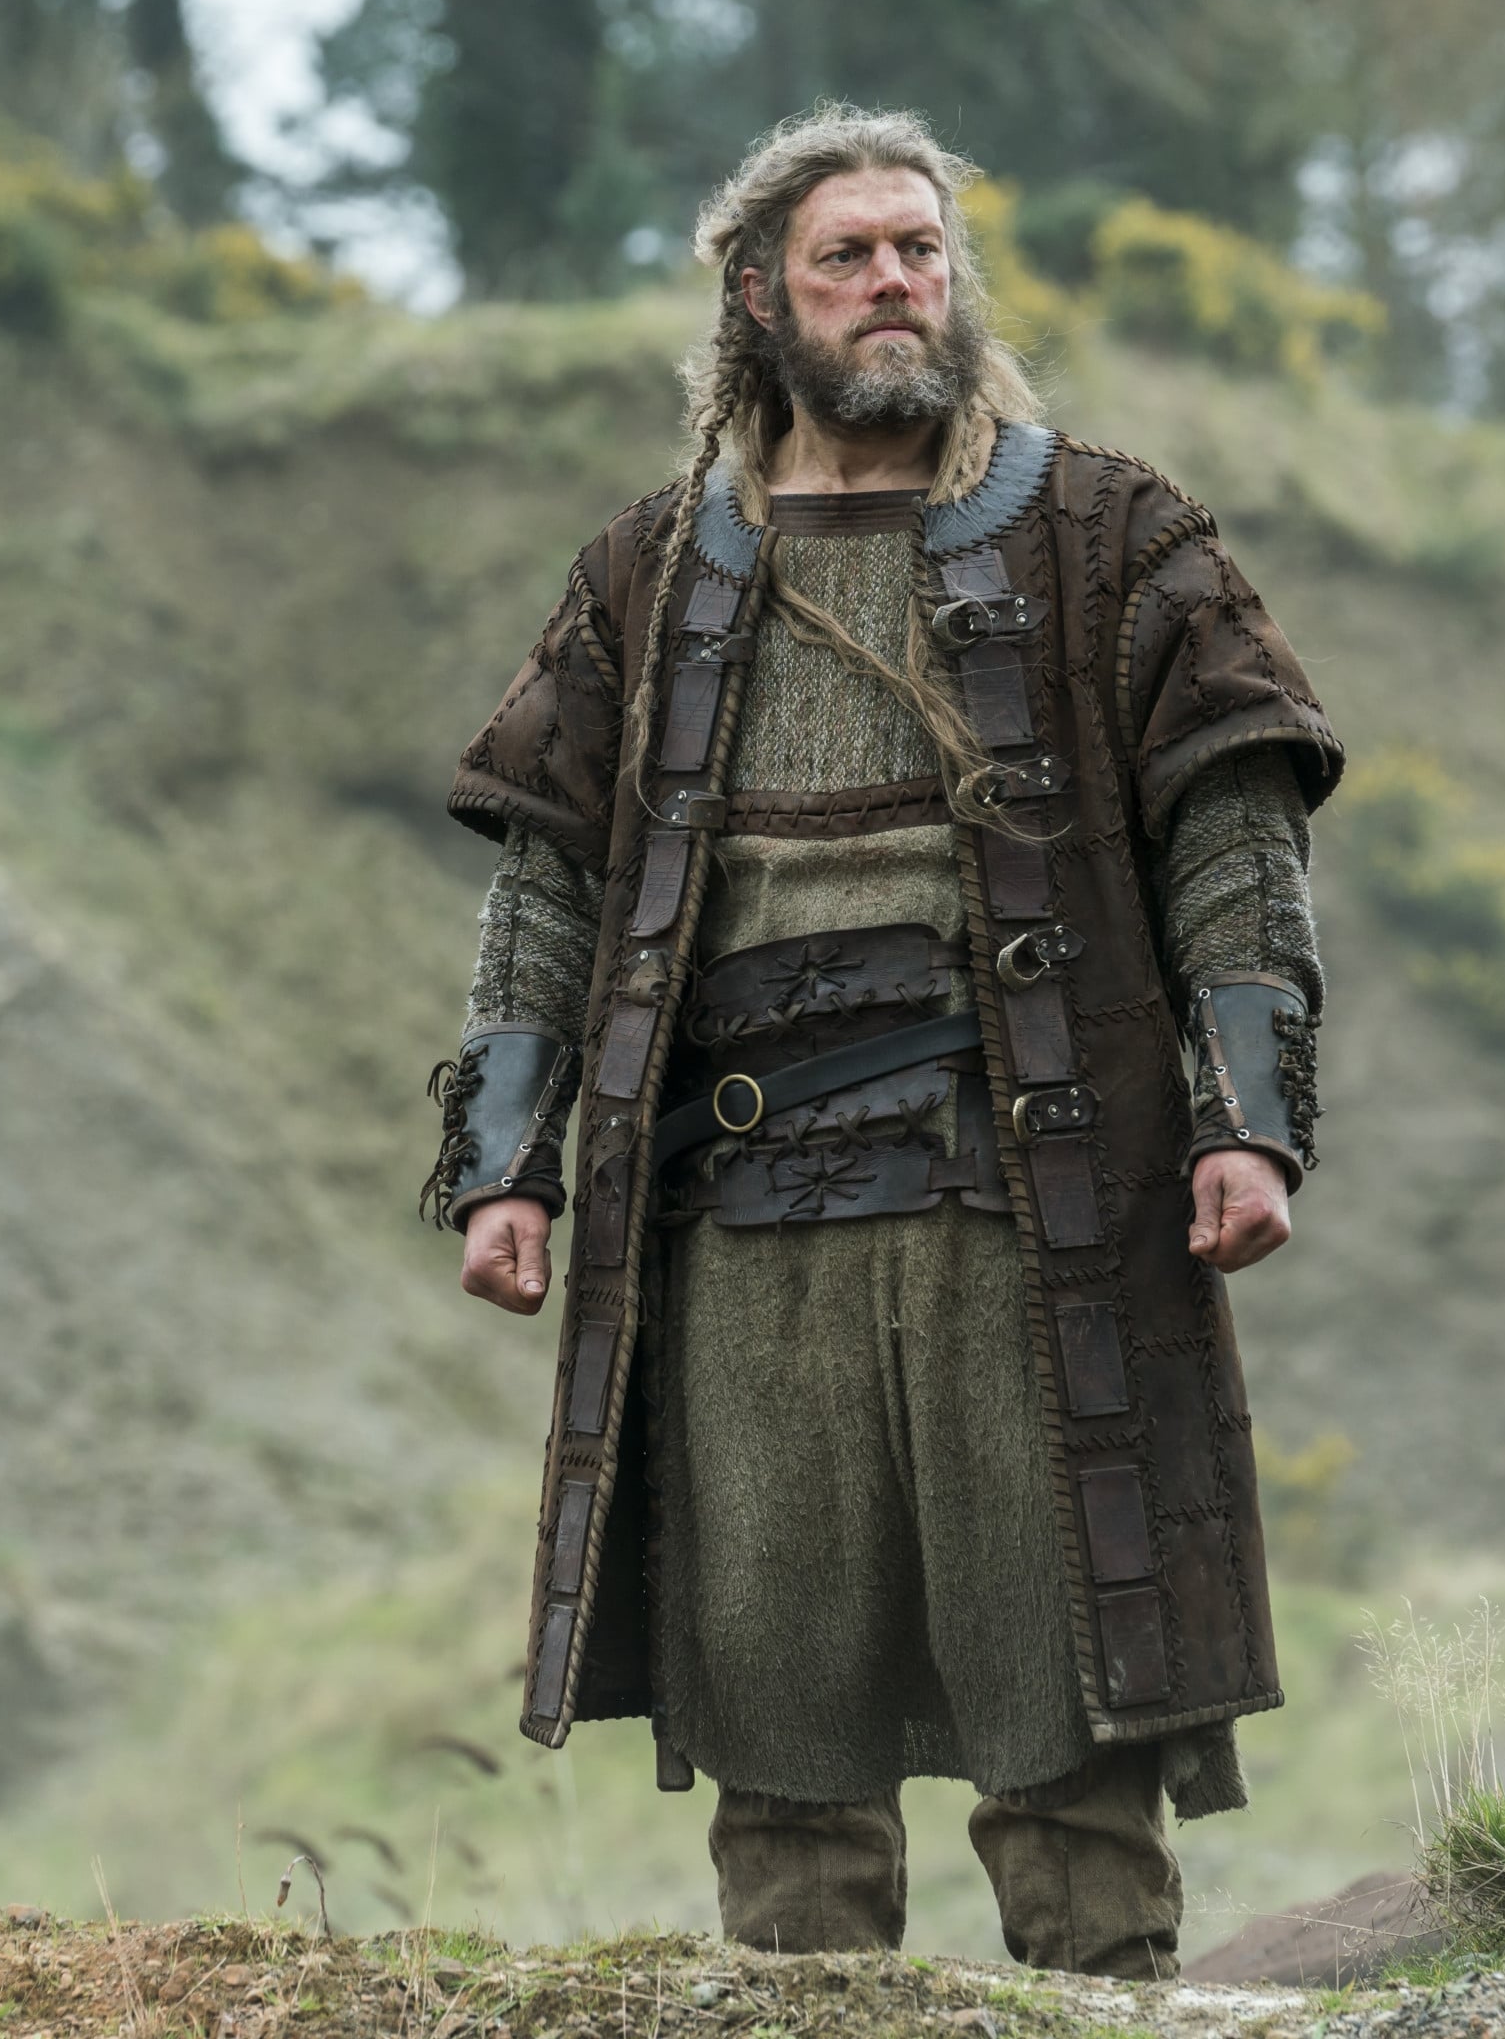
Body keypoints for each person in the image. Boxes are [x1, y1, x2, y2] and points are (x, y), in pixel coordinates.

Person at [419, 105, 1342, 1976]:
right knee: (776, 1696)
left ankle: (1106, 2005)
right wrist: (507, 1166)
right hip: (738, 1216)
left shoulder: (1113, 535)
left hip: (1028, 1201)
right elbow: (548, 894)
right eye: (846, 256)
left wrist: (1247, 1120)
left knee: (1064, 1661)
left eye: (919, 249)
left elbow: (1233, 834)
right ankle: (803, 2010)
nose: (893, 283)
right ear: (761, 299)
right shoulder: (647, 575)